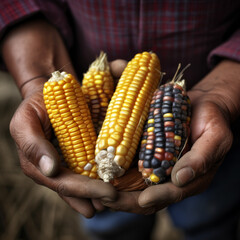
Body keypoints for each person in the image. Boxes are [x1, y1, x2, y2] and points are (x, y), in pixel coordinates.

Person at [1, 0, 240, 239]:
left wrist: (224, 92)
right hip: (80, 73)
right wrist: (36, 75)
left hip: (214, 117)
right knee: (109, 222)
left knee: (209, 217)